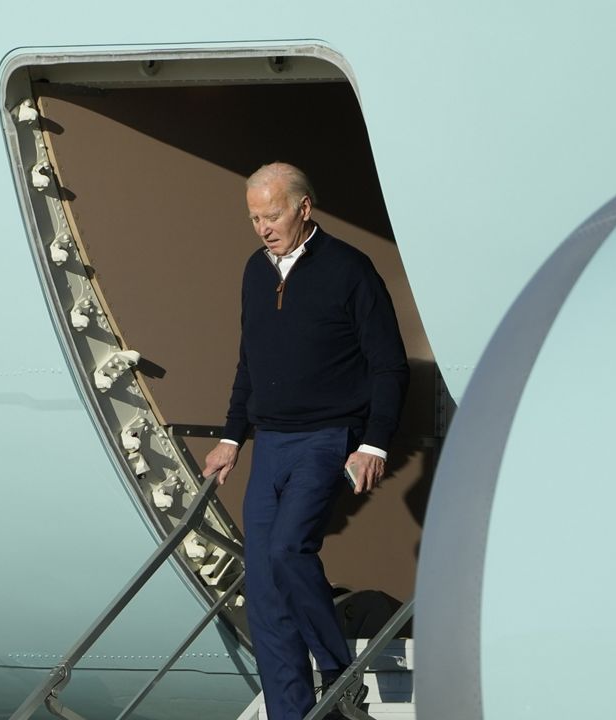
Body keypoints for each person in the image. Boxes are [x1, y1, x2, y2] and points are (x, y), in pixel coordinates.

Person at [203, 163, 408, 720]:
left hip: (326, 439)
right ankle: (291, 713)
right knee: (266, 592)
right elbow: (251, 361)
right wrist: (231, 437)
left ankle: (340, 676)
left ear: (303, 208)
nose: (263, 227)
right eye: (254, 218)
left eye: (272, 215)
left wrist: (375, 444)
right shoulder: (254, 270)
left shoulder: (349, 269)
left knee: (290, 549)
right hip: (269, 442)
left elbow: (389, 366)